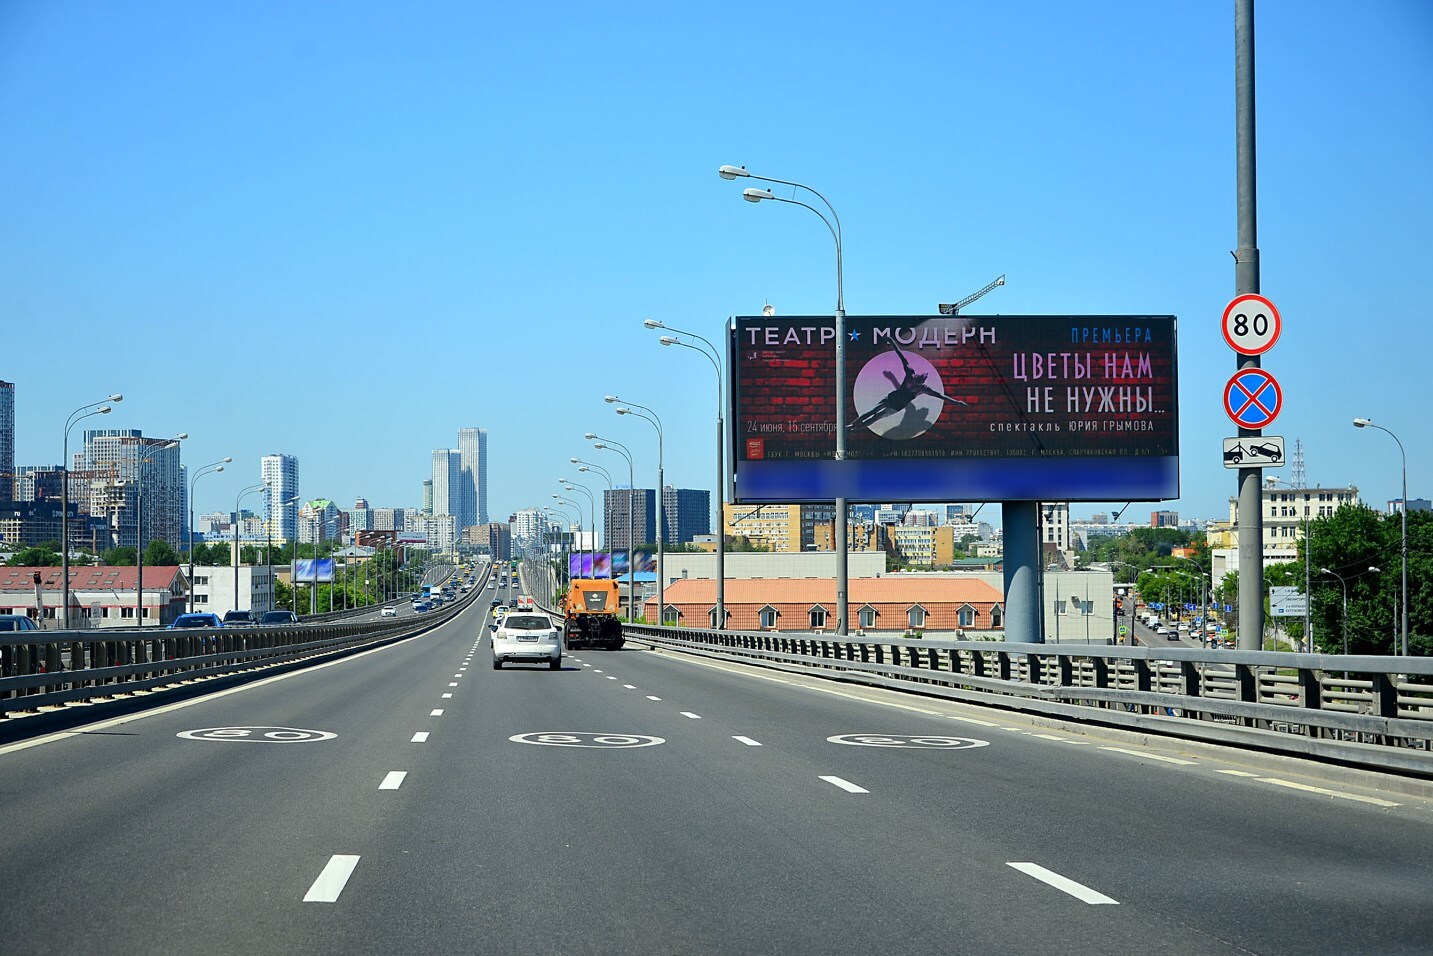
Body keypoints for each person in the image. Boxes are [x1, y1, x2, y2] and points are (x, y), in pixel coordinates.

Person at [848, 342, 966, 432]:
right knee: (872, 412)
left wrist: (956, 402)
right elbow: (902, 357)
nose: (915, 382)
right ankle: (852, 425)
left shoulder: (923, 388)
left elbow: (940, 396)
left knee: (874, 418)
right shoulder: (910, 373)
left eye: (918, 382)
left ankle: (853, 429)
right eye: (916, 379)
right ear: (916, 376)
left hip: (895, 406)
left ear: (920, 383)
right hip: (890, 398)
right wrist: (892, 342)